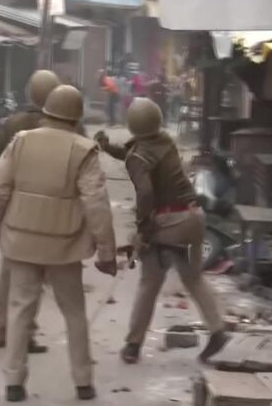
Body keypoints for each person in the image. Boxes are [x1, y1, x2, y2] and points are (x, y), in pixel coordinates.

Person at [0, 85, 117, 402]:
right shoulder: (84, 150)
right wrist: (106, 251)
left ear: (46, 112)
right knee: (74, 313)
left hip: (21, 239)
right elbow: (96, 204)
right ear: (76, 117)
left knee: (20, 310)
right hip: (65, 245)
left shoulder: (21, 142)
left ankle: (14, 382)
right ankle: (83, 382)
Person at [95, 98, 228, 364]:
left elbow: (144, 191)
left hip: (170, 221)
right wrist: (109, 148)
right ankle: (217, 329)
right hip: (194, 218)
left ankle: (133, 345)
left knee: (149, 282)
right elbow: (137, 154)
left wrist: (143, 229)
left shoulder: (138, 156)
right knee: (193, 278)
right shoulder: (164, 141)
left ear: (132, 124)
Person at [0, 69, 70, 355]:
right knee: (36, 276)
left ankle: (0, 329)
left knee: (10, 269)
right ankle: (26, 333)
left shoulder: (13, 125)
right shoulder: (69, 127)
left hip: (14, 207)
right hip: (53, 210)